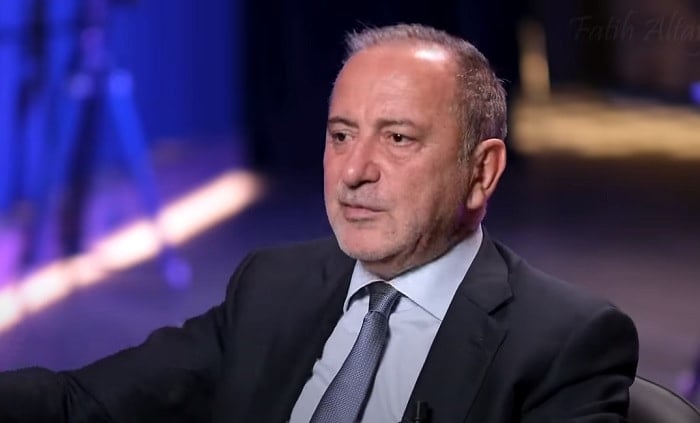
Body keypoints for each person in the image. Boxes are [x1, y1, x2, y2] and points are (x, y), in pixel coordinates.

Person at [0, 23, 638, 422]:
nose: (353, 171)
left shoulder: (565, 344)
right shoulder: (271, 286)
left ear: (482, 171)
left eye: (397, 138)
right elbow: (82, 403)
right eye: (340, 135)